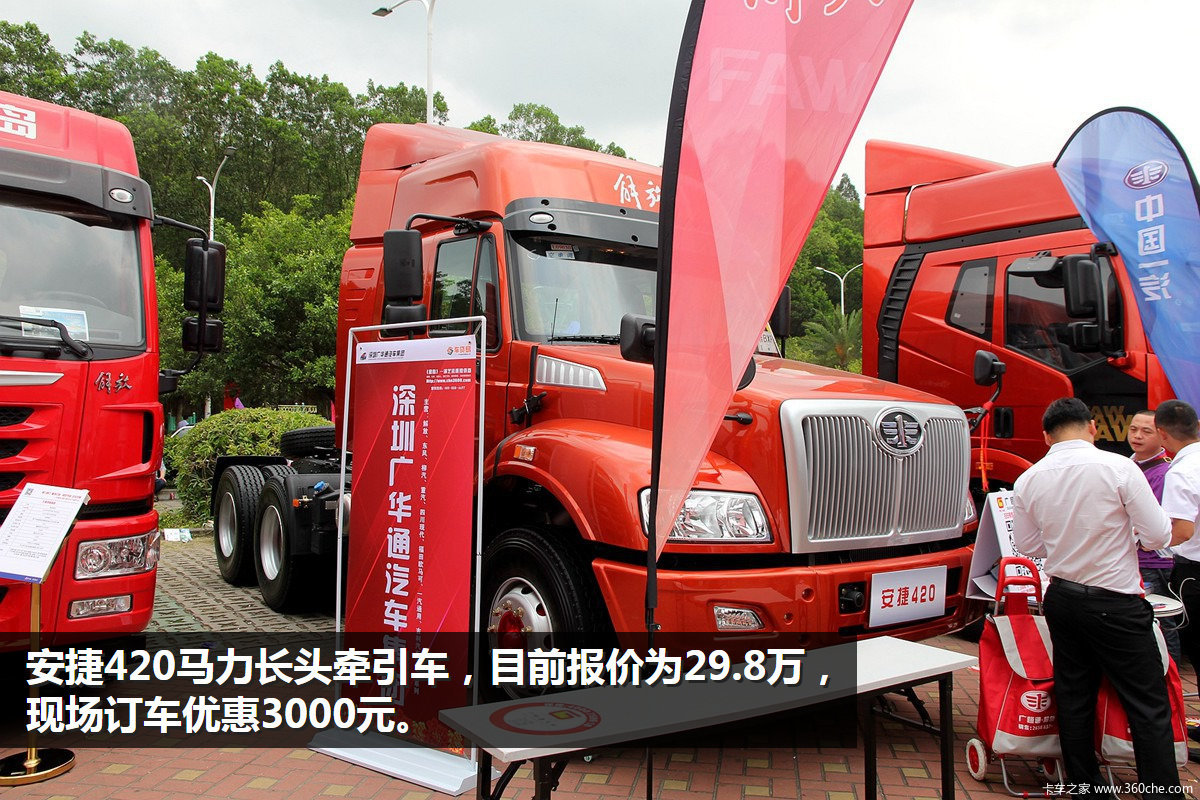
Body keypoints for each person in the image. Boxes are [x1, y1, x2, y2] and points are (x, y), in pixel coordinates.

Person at [1011, 397, 1179, 796]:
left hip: (1062, 598)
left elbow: (1028, 545)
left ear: (1046, 436)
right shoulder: (1119, 467)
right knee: (1146, 702)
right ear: (1092, 427)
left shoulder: (1028, 478)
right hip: (1115, 601)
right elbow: (1158, 536)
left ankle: (1084, 786)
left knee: (1073, 696)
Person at [1127, 409, 1182, 662]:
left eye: (1146, 431)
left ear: (1162, 436)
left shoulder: (1164, 473)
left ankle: (1170, 673)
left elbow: (1159, 522)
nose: (1137, 436)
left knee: (1162, 622)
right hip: (1136, 557)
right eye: (1133, 429)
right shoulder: (1129, 466)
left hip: (1155, 560)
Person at [1159, 400, 1200, 669]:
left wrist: (1149, 541)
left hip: (1195, 570)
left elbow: (1183, 531)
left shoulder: (1182, 471)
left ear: (1162, 434)